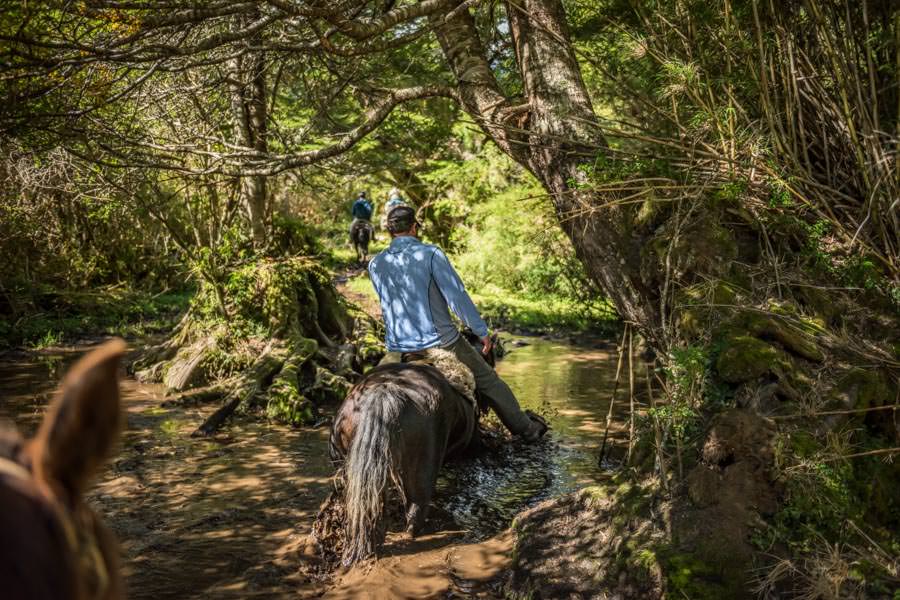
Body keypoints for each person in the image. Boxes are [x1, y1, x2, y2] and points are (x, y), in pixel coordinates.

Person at [367, 205, 547, 442]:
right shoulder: (431, 254)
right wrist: (481, 331)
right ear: (414, 227)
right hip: (441, 343)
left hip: (398, 348)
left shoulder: (375, 263)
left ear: (390, 232)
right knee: (488, 381)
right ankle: (526, 429)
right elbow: (457, 298)